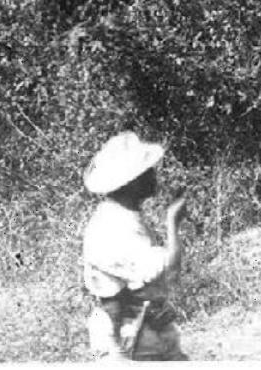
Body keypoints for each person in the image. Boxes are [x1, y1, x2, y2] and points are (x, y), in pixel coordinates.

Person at [80, 132, 188, 360]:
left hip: (146, 327)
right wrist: (172, 222)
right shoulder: (112, 226)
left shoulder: (124, 217)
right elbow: (169, 270)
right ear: (130, 183)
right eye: (146, 171)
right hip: (126, 338)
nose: (153, 175)